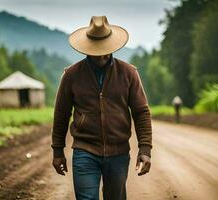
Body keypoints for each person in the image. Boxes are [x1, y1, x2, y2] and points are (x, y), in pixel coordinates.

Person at [51, 16, 153, 200]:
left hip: (119, 153)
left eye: (106, 48)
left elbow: (141, 113)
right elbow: (61, 114)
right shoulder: (71, 75)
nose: (102, 54)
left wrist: (145, 149)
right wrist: (57, 151)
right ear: (87, 48)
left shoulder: (129, 73)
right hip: (85, 151)